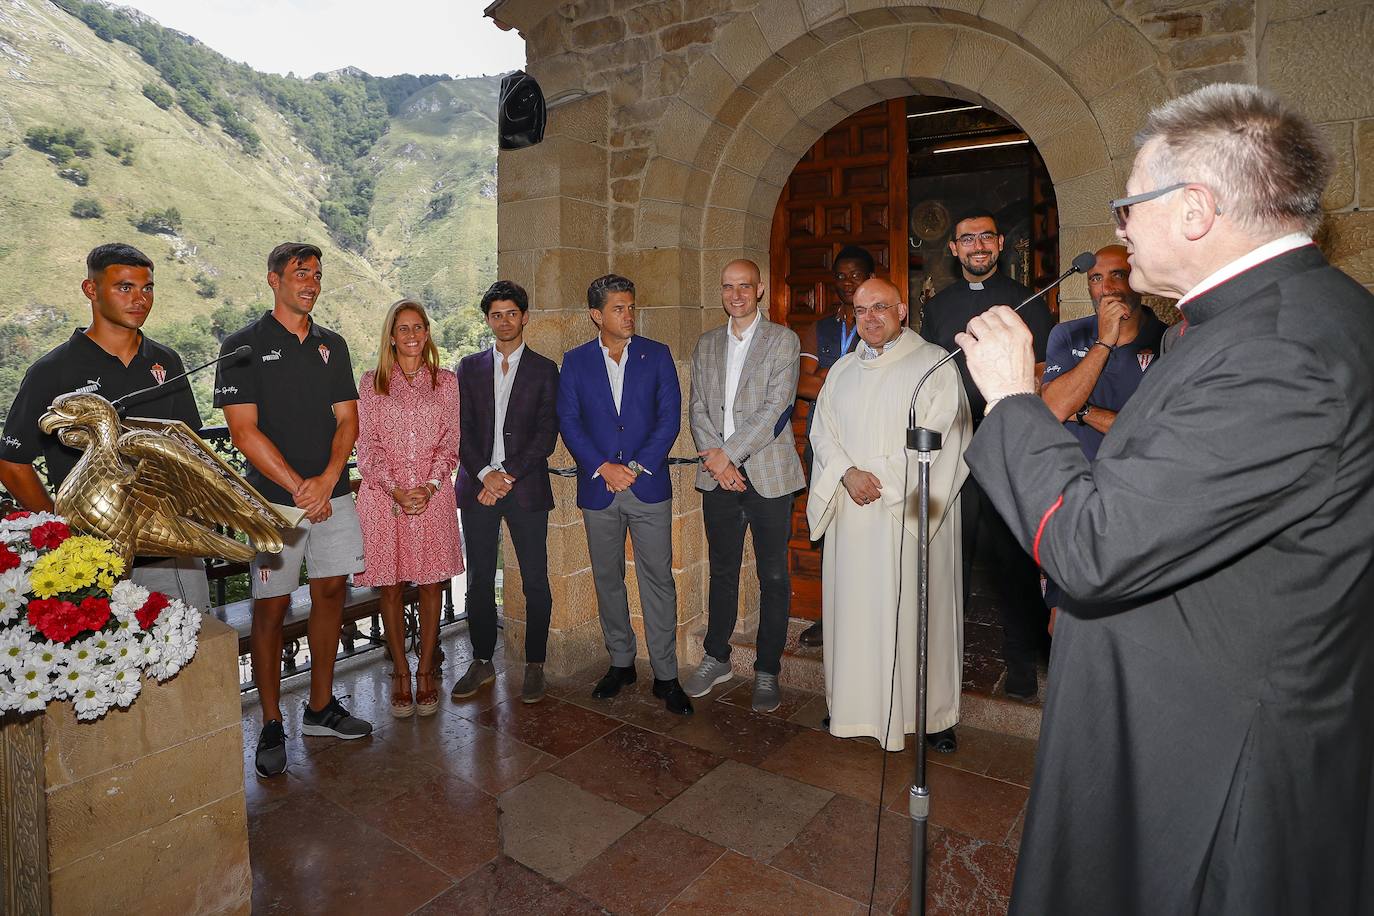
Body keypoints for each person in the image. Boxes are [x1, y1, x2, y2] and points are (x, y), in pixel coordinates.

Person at [956, 84, 1374, 914]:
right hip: (1179, 700)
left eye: (1126, 205)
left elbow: (1096, 545)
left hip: (1215, 752)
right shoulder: (1244, 320)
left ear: (1194, 209)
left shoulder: (1279, 352)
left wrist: (1010, 399)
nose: (1117, 228)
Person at [215, 242, 371, 779]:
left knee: (332, 590)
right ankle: (272, 721)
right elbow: (242, 430)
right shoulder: (242, 346)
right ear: (273, 279)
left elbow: (347, 419)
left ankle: (321, 707)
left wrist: (327, 481)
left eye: (318, 275)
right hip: (272, 503)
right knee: (271, 606)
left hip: (333, 494)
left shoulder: (333, 345)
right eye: (300, 273)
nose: (311, 282)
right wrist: (300, 487)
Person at [807, 277, 971, 752]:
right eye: (860, 310)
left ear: (902, 310)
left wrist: (877, 478)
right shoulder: (840, 371)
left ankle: (932, 715)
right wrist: (844, 474)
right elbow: (822, 434)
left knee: (921, 609)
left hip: (913, 512)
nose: (870, 318)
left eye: (880, 307)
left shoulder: (934, 364)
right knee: (855, 613)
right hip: (855, 517)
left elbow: (948, 437)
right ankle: (854, 706)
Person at [0, 243, 208, 609]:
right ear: (91, 290)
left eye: (147, 287)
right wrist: (62, 528)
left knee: (193, 648)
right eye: (124, 287)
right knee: (112, 662)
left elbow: (190, 443)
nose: (139, 299)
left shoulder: (166, 360)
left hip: (168, 546)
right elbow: (12, 462)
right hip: (93, 556)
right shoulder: (53, 371)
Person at [919, 210, 1054, 701]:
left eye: (985, 237)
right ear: (953, 249)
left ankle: (1020, 661)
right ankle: (945, 657)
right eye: (966, 239)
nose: (977, 246)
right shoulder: (938, 308)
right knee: (949, 555)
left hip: (1006, 444)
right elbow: (930, 371)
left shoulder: (1030, 301)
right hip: (954, 444)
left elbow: (1040, 371)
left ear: (1000, 243)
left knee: (1014, 559)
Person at [556, 274, 691, 716]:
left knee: (658, 579)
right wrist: (602, 467)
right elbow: (569, 421)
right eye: (618, 308)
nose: (628, 315)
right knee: (607, 579)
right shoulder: (575, 362)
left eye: (631, 307)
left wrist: (630, 469)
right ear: (596, 315)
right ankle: (621, 663)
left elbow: (669, 419)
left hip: (646, 486)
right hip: (598, 489)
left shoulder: (657, 355)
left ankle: (666, 675)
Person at [683, 259, 805, 712]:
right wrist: (718, 464)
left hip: (768, 475)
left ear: (760, 290)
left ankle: (768, 670)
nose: (736, 294)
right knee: (722, 571)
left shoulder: (782, 340)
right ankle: (717, 657)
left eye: (744, 286)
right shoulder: (708, 343)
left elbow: (776, 410)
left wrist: (727, 454)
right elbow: (697, 407)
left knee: (773, 575)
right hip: (718, 478)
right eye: (728, 286)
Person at [1039, 244, 1165, 629]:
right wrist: (1104, 341)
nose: (1106, 287)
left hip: (1137, 499)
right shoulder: (1067, 334)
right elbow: (1054, 407)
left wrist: (1086, 411)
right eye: (1096, 278)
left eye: (1118, 275)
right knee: (1061, 622)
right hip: (1073, 496)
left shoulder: (1167, 340)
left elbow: (1151, 432)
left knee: (1129, 625)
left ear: (1138, 280)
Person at [354, 299, 463, 718]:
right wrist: (397, 488)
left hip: (432, 495)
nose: (412, 335)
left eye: (419, 327)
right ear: (392, 335)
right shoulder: (372, 382)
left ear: (427, 333)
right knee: (392, 586)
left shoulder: (447, 382)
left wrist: (430, 485)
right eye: (404, 328)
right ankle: (399, 669)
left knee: (432, 584)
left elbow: (450, 441)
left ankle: (424, 672)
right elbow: (368, 447)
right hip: (385, 499)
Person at [452, 280, 559, 705]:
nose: (504, 320)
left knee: (535, 579)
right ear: (488, 320)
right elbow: (458, 429)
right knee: (477, 579)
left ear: (524, 316)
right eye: (496, 314)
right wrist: (483, 474)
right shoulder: (468, 367)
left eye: (511, 313)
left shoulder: (544, 369)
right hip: (478, 488)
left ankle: (535, 664)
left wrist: (506, 475)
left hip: (525, 487)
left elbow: (546, 434)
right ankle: (481, 661)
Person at [793, 244, 873, 648]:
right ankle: (830, 618)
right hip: (824, 445)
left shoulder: (880, 325)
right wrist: (844, 378)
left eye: (855, 275)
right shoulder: (821, 328)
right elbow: (801, 384)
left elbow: (877, 386)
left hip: (869, 444)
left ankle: (869, 617)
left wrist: (827, 375)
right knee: (827, 528)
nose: (847, 283)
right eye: (840, 276)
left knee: (867, 532)